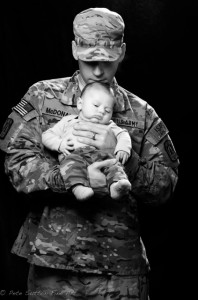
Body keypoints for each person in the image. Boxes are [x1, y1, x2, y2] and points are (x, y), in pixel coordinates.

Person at [0, 7, 179, 300]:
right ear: (74, 49)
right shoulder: (42, 97)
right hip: (54, 265)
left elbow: (165, 187)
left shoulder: (142, 114)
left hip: (120, 271)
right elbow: (17, 165)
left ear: (122, 51)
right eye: (90, 59)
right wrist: (69, 178)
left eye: (107, 61)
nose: (98, 70)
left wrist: (125, 160)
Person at [42, 81, 132, 201]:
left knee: (114, 165)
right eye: (96, 105)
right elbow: (47, 135)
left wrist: (122, 148)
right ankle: (78, 188)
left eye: (107, 110)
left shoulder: (110, 125)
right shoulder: (68, 121)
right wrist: (59, 144)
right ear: (80, 104)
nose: (101, 111)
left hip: (101, 157)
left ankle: (116, 186)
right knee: (71, 167)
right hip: (74, 155)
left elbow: (123, 135)